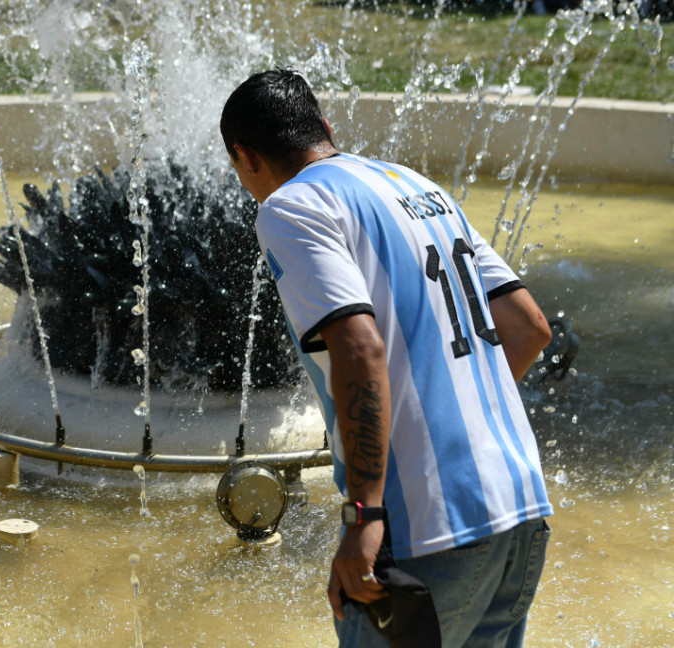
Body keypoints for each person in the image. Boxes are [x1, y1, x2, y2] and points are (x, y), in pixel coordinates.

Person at [220, 69, 554, 647]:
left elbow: (358, 346)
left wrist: (364, 515)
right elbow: (527, 328)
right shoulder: (418, 187)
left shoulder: (291, 207)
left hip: (424, 527)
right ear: (326, 128)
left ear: (244, 157)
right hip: (520, 504)